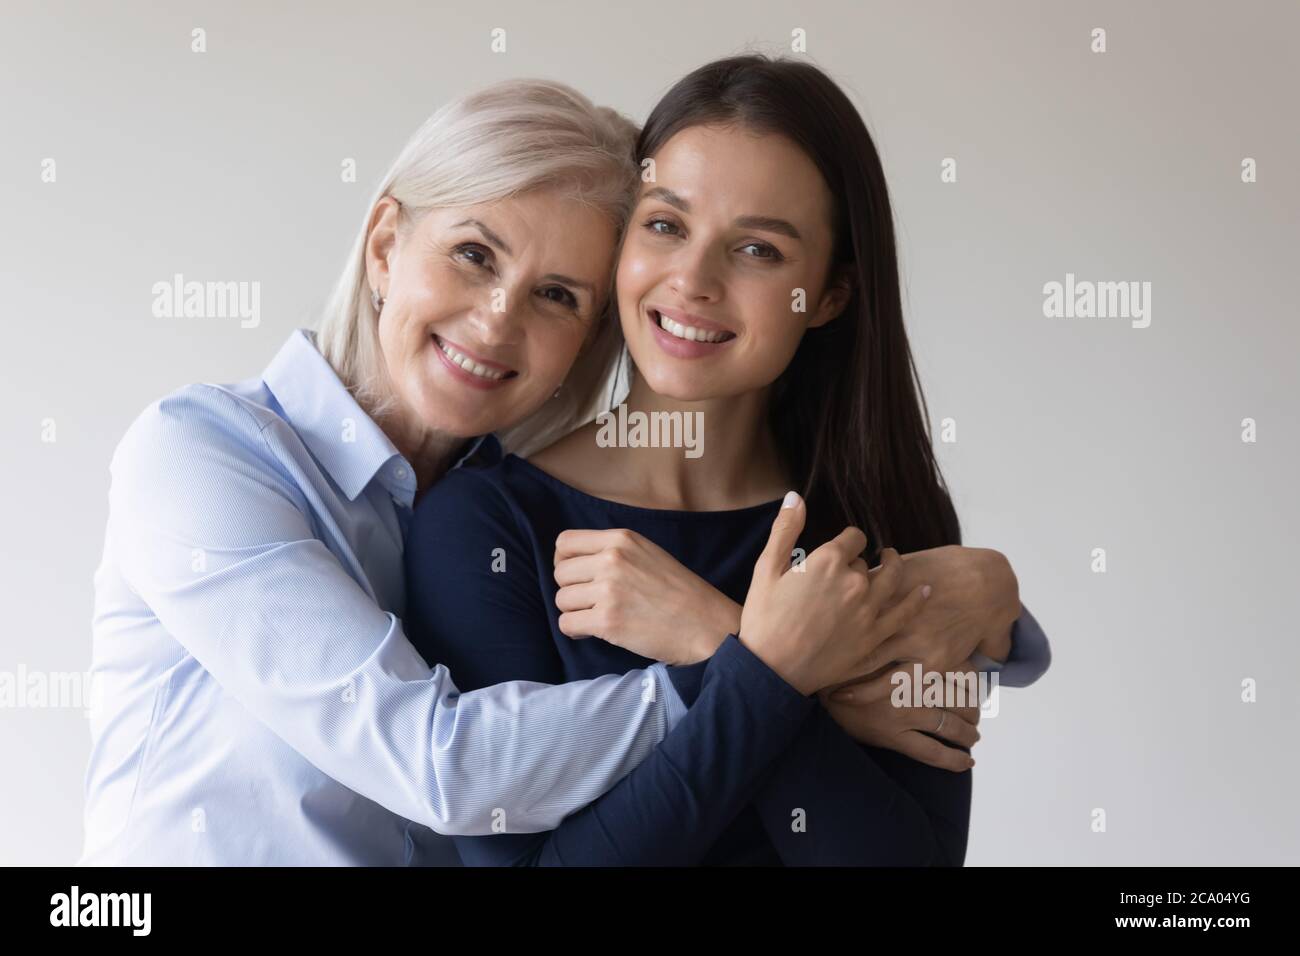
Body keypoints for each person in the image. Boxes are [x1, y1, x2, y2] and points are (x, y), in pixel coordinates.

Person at [80, 79, 896, 865]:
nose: (499, 318)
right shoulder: (201, 454)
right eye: (474, 254)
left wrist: (991, 605)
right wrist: (759, 672)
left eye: (556, 295)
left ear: (590, 339)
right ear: (385, 246)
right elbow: (442, 767)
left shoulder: (494, 507)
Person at [403, 55, 1050, 865]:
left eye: (759, 252)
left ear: (831, 295)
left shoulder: (877, 528)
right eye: (666, 225)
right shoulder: (485, 526)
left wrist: (716, 637)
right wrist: (772, 675)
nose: (694, 280)